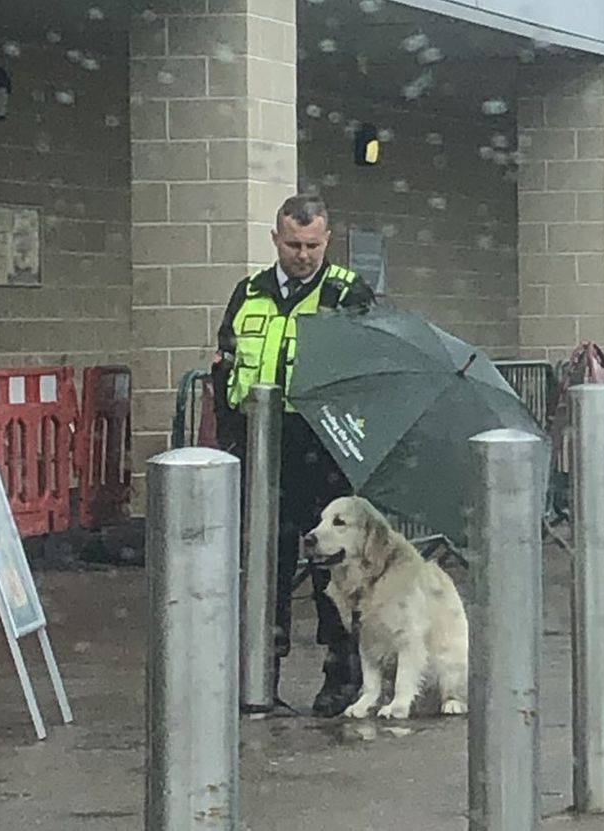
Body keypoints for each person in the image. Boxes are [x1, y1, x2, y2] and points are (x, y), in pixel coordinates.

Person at [213, 194, 375, 716]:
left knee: (334, 567)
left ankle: (341, 675)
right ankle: (261, 676)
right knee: (265, 564)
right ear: (275, 240)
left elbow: (365, 372)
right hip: (261, 449)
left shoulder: (347, 294)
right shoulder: (250, 293)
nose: (302, 255)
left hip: (324, 449)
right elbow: (227, 365)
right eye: (292, 244)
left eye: (312, 245)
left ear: (327, 241)